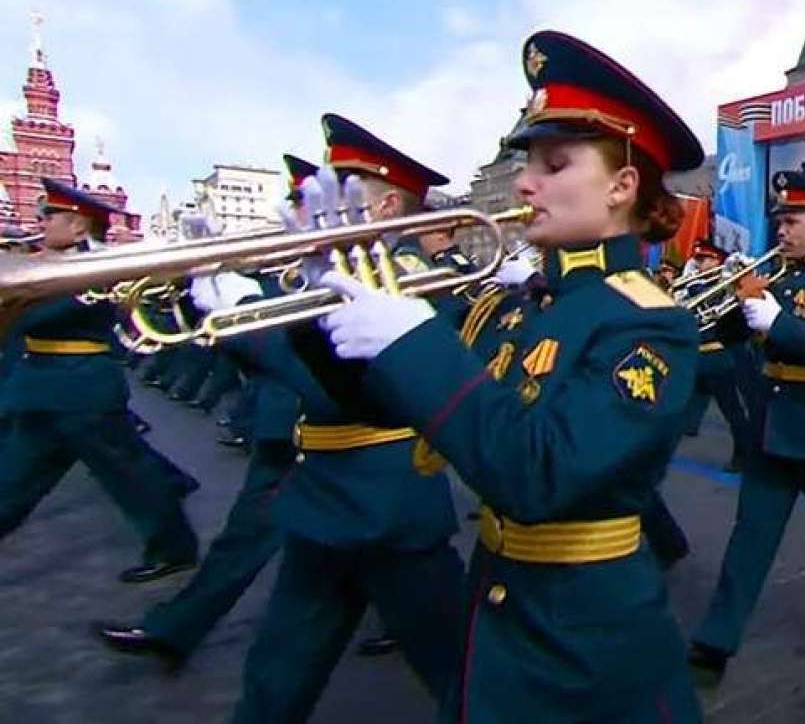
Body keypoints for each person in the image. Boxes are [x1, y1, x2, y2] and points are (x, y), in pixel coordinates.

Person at [310, 31, 705, 721]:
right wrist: (320, 300)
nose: (525, 182)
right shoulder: (518, 304)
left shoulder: (649, 323)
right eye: (528, 162)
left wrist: (415, 340)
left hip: (585, 645)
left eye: (554, 164)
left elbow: (536, 474)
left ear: (621, 185)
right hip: (496, 605)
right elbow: (369, 402)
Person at [218, 116, 467, 723]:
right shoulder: (334, 270)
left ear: (383, 203)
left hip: (387, 498)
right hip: (324, 494)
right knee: (276, 674)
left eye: (340, 182)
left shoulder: (411, 279)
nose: (316, 196)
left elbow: (337, 391)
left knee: (464, 678)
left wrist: (242, 314)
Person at [95, 154, 323, 662]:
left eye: (303, 203)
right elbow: (233, 348)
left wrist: (240, 310)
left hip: (340, 438)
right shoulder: (286, 267)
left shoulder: (359, 267)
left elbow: (309, 357)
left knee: (401, 584)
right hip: (288, 430)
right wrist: (208, 287)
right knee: (247, 543)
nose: (293, 213)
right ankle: (175, 629)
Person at [688, 170, 805, 684]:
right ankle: (717, 638)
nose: (782, 232)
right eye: (780, 221)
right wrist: (715, 309)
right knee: (749, 537)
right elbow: (726, 332)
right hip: (772, 430)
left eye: (793, 221)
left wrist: (779, 323)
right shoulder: (776, 276)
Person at [0, 180, 199, 584]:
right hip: (40, 387)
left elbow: (38, 318)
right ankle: (173, 500)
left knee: (130, 476)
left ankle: (174, 548)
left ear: (78, 227)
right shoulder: (43, 266)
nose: (42, 223)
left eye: (50, 216)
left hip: (82, 389)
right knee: (12, 480)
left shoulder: (97, 270)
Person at [679, 238, 758, 471]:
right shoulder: (692, 285)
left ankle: (744, 452)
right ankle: (685, 427)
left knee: (732, 409)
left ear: (717, 261)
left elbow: (735, 320)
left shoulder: (725, 286)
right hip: (695, 354)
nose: (700, 264)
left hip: (717, 354)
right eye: (699, 259)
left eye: (705, 259)